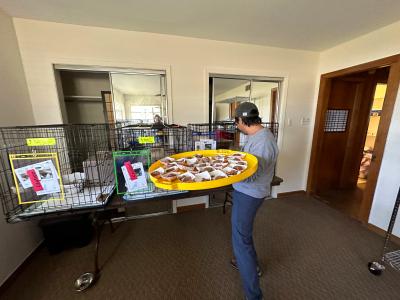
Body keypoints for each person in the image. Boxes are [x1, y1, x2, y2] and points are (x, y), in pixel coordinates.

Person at [231, 102, 278, 300]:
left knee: (240, 241)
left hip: (249, 194)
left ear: (242, 120)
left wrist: (227, 171)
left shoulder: (264, 141)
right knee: (244, 234)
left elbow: (250, 175)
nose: (235, 125)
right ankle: (254, 266)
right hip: (245, 191)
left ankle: (254, 295)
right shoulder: (255, 136)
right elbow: (247, 162)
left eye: (236, 121)